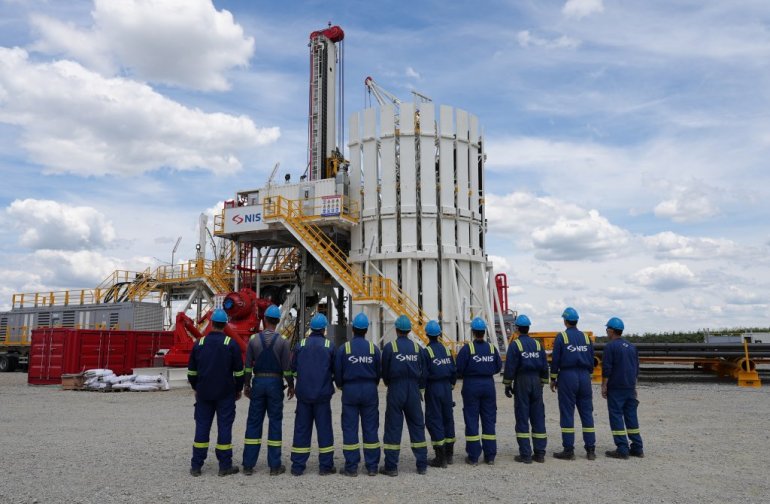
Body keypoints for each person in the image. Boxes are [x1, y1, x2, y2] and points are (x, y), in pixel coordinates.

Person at [187, 308, 244, 477]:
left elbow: (191, 373)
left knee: (202, 427)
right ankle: (224, 466)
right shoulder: (230, 344)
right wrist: (238, 389)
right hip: (225, 393)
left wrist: (196, 387)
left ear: (211, 323)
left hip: (204, 393)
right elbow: (239, 372)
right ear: (225, 324)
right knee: (224, 427)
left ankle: (196, 466)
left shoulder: (199, 343)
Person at [241, 304, 294, 476]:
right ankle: (274, 466)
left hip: (258, 383)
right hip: (275, 383)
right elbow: (287, 369)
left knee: (254, 423)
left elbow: (247, 367)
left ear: (264, 319)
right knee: (275, 423)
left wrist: (247, 385)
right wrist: (291, 385)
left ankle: (248, 465)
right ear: (278, 321)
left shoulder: (254, 340)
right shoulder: (283, 342)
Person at [380, 315, 428, 476]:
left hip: (396, 388)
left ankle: (391, 467)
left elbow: (385, 371)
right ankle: (422, 465)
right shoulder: (417, 348)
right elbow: (423, 371)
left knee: (393, 427)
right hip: (413, 389)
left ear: (396, 329)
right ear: (409, 330)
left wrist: (390, 383)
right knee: (417, 426)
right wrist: (419, 387)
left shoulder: (390, 347)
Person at [334, 312, 382, 477]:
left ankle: (351, 467)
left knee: (350, 428)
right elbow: (378, 372)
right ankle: (372, 467)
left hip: (350, 390)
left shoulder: (344, 348)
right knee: (371, 428)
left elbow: (338, 373)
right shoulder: (373, 349)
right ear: (366, 330)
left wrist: (341, 386)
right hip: (369, 390)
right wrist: (372, 384)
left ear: (352, 329)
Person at [290, 313, 337, 476]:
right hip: (322, 396)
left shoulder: (300, 345)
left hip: (303, 395)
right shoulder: (329, 346)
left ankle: (297, 467)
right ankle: (325, 466)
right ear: (324, 329)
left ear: (311, 328)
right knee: (324, 430)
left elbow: (293, 369)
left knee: (301, 430)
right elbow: (334, 370)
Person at [550, 307, 596, 461]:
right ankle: (591, 450)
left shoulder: (562, 337)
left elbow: (555, 360)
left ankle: (568, 450)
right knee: (587, 413)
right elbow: (591, 359)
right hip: (584, 377)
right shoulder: (586, 337)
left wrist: (553, 378)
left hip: (568, 376)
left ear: (565, 321)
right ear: (576, 321)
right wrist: (587, 374)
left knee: (567, 413)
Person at [502, 314, 549, 464]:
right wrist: (542, 383)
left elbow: (510, 367)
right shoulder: (537, 344)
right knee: (538, 416)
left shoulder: (515, 345)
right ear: (528, 328)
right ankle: (540, 454)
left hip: (522, 381)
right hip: (536, 381)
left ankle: (525, 455)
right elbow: (544, 365)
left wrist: (507, 384)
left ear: (517, 328)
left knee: (522, 416)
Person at [456, 317, 502, 466]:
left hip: (471, 385)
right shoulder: (491, 348)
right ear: (484, 332)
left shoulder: (467, 349)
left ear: (473, 332)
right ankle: (490, 456)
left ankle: (473, 457)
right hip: (488, 385)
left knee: (471, 419)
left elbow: (459, 368)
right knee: (489, 419)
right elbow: (498, 367)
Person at [601, 317, 644, 459]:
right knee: (631, 416)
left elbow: (607, 368)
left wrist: (604, 385)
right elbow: (636, 368)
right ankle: (637, 447)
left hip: (616, 387)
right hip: (629, 387)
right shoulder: (631, 347)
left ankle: (622, 449)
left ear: (611, 330)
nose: (606, 331)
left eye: (607, 329)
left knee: (616, 417)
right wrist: (634, 386)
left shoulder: (610, 347)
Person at [421, 319, 457, 467]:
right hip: (447, 388)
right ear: (439, 334)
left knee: (434, 419)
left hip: (433, 388)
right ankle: (449, 455)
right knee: (448, 418)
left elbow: (423, 373)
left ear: (427, 335)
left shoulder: (426, 352)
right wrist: (452, 384)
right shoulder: (447, 350)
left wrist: (421, 389)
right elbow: (454, 370)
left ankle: (440, 458)